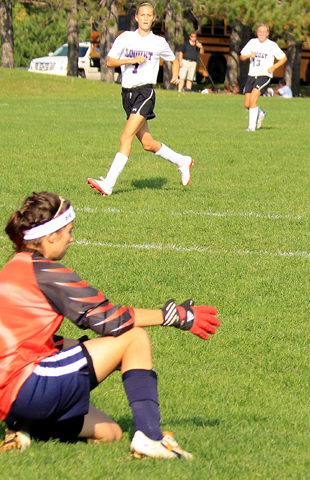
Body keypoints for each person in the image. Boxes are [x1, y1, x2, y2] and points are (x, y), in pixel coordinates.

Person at [0, 192, 221, 458]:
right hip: (28, 387)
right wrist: (174, 316)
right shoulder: (47, 273)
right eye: (69, 231)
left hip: (11, 395)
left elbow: (33, 341)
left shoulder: (13, 268)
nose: (71, 238)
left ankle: (24, 426)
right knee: (134, 338)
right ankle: (150, 438)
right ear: (50, 236)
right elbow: (109, 320)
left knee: (110, 433)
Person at [87, 2, 194, 196]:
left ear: (154, 19)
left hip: (145, 93)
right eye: (142, 15)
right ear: (136, 17)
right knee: (147, 144)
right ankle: (182, 161)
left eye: (149, 15)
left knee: (125, 137)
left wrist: (175, 75)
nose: (145, 18)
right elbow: (110, 61)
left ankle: (108, 184)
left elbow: (174, 60)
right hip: (127, 94)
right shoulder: (125, 38)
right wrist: (131, 60)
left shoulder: (158, 42)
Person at [240, 24, 286, 131]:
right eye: (260, 31)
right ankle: (260, 114)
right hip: (252, 75)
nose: (261, 34)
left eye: (264, 32)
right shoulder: (252, 42)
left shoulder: (272, 45)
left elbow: (283, 58)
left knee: (253, 98)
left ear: (267, 33)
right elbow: (242, 56)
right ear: (257, 33)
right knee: (247, 103)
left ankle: (251, 127)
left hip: (264, 75)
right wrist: (248, 55)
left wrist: (274, 67)